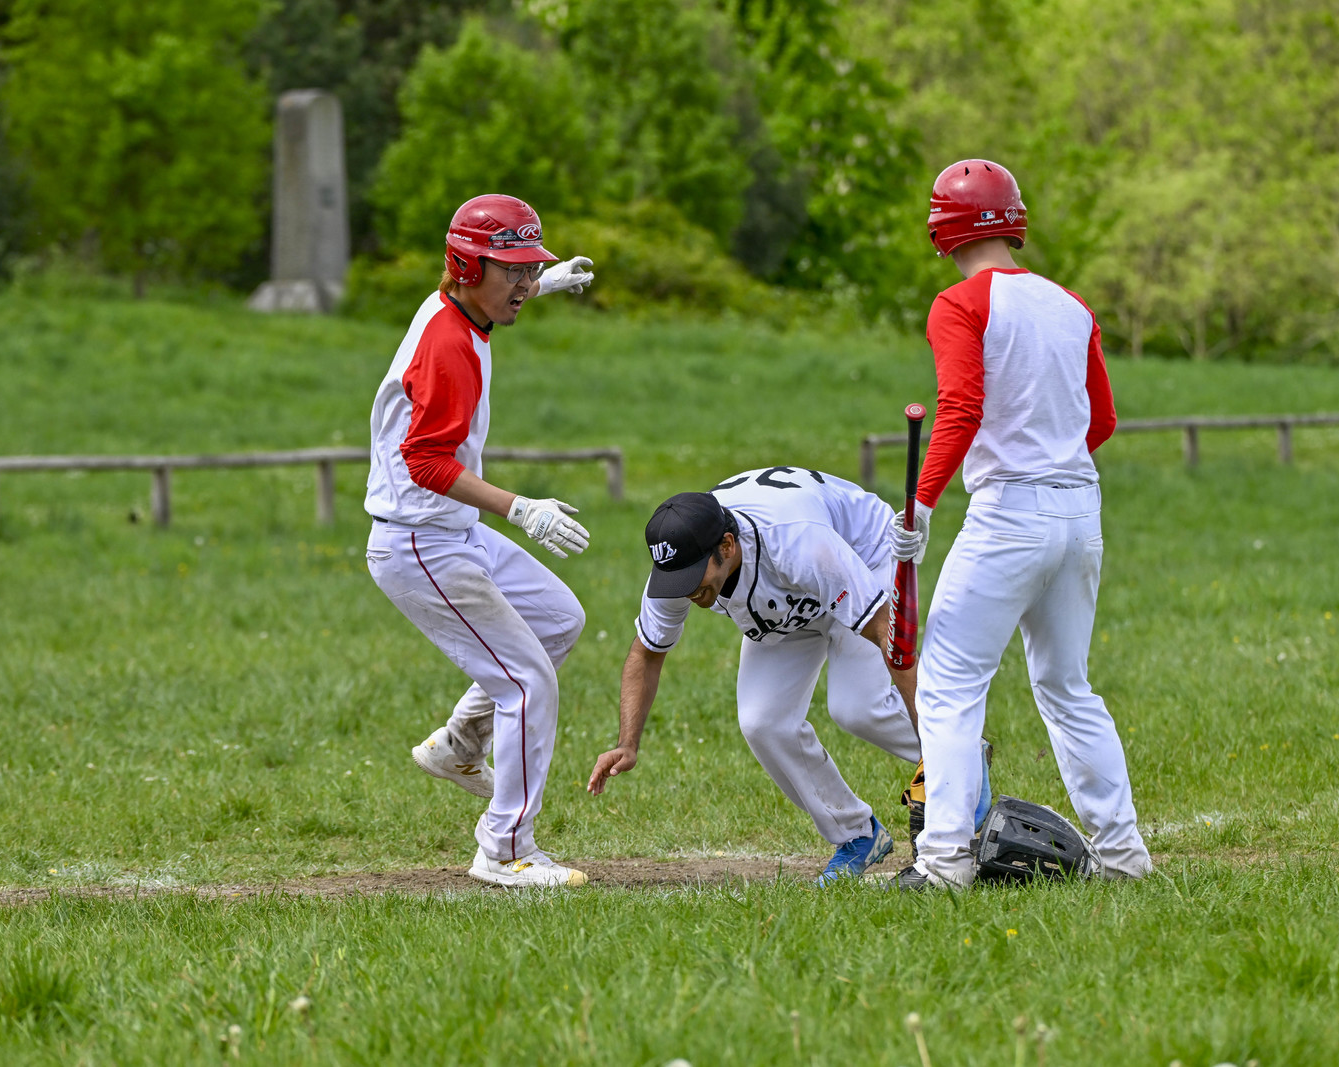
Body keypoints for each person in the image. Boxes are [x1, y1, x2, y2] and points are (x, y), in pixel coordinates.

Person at [889, 160, 1151, 891]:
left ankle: (942, 863)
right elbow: (1102, 420)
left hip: (1008, 515)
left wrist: (923, 503)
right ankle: (1124, 855)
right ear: (1014, 219)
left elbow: (962, 409)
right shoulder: (1071, 305)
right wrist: (1053, 459)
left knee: (946, 684)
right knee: (1068, 685)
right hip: (1080, 509)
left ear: (944, 227)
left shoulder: (959, 303)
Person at [587, 467, 991, 884]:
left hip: (862, 559)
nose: (686, 591)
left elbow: (890, 643)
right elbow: (647, 654)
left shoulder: (799, 543)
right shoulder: (684, 560)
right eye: (677, 580)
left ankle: (962, 752)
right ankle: (856, 834)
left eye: (693, 578)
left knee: (857, 707)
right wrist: (627, 743)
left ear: (727, 545)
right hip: (789, 598)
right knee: (764, 722)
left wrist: (939, 746)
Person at [364, 193, 597, 888]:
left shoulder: (460, 309)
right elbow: (425, 462)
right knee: (528, 684)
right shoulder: (448, 343)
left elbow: (479, 307)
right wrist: (521, 507)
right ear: (468, 266)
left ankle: (459, 746)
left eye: (532, 270)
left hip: (447, 531)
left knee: (560, 619)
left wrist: (537, 288)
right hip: (421, 543)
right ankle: (505, 849)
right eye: (513, 271)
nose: (524, 284)